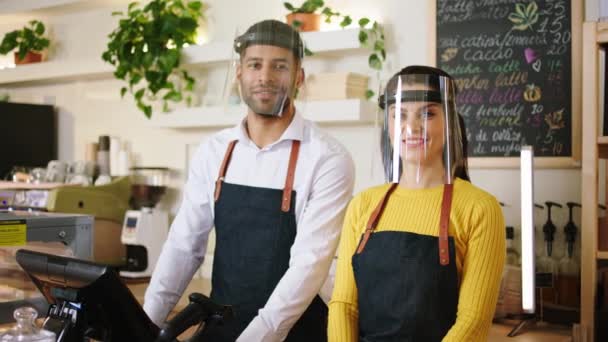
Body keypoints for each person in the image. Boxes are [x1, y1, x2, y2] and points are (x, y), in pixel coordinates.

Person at [144, 19, 355, 342]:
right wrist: (144, 324)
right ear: (239, 72)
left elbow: (308, 265)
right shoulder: (214, 151)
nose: (265, 77)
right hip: (220, 326)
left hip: (295, 332)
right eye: (255, 64)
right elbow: (184, 246)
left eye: (279, 66)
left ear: (299, 76)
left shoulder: (328, 158)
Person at [327, 65, 505, 341]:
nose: (411, 127)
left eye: (428, 113)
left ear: (449, 123)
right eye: (400, 115)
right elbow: (344, 306)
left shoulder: (479, 208)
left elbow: (474, 320)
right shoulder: (363, 205)